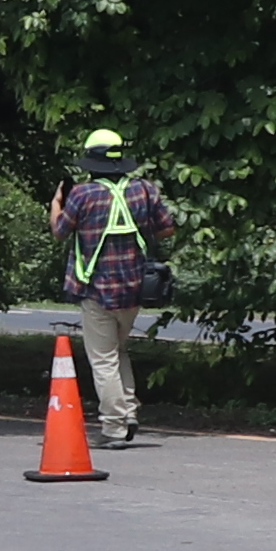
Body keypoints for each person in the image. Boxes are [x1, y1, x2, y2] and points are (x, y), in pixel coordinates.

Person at [47, 131, 174, 447]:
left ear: (91, 162)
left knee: (102, 358)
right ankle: (128, 412)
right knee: (118, 351)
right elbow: (167, 227)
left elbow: (60, 231)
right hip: (135, 288)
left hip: (97, 290)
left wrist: (56, 202)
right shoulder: (144, 190)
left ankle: (114, 427)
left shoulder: (83, 194)